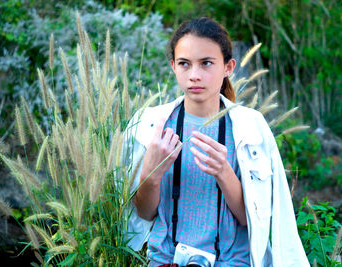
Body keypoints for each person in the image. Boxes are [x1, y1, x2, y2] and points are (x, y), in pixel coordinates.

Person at [122, 17, 309, 267]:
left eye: (206, 63)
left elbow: (250, 219)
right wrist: (151, 174)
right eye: (184, 64)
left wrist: (224, 172)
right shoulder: (151, 125)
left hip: (232, 261)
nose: (194, 75)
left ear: (228, 67)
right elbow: (144, 214)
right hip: (165, 261)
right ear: (173, 66)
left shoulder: (250, 127)